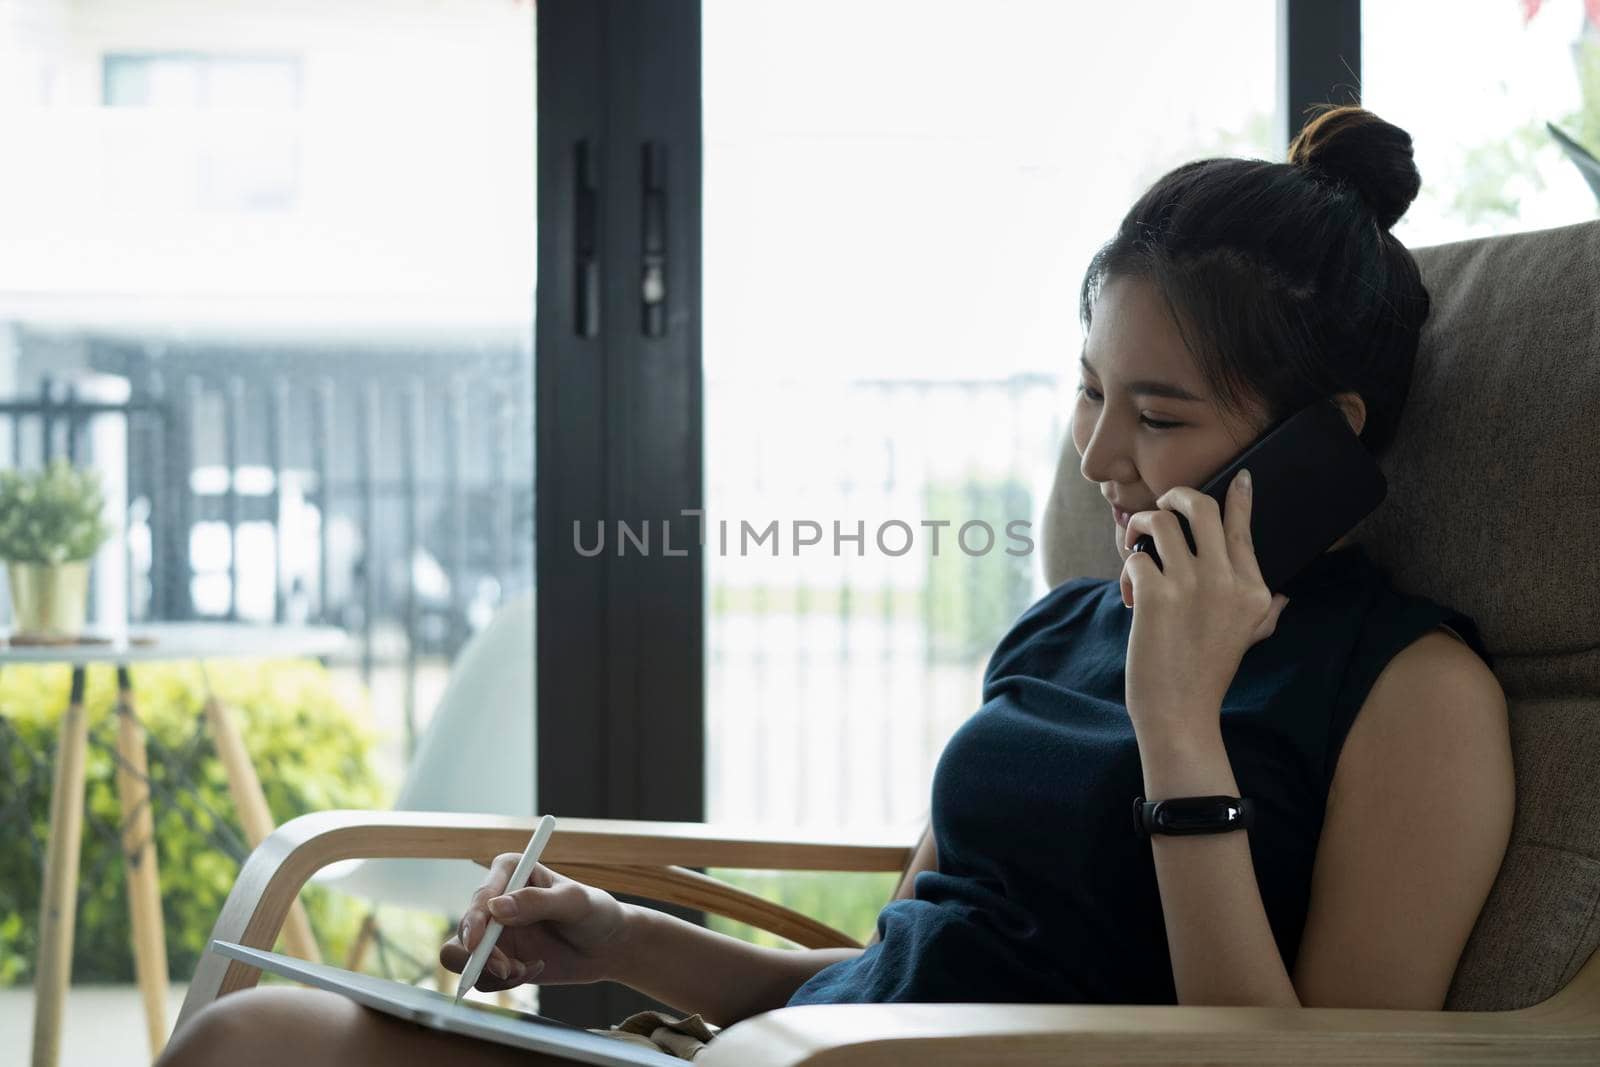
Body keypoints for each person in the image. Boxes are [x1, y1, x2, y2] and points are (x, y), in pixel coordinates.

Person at [155, 103, 1514, 1066]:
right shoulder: (1058, 632)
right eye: (1090, 393)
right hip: (816, 1057)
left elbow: (1309, 1063)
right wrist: (625, 942)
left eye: (1159, 416)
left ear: (1321, 440)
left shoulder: (1413, 697)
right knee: (263, 1039)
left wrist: (1181, 727)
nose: (1098, 456)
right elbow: (906, 975)